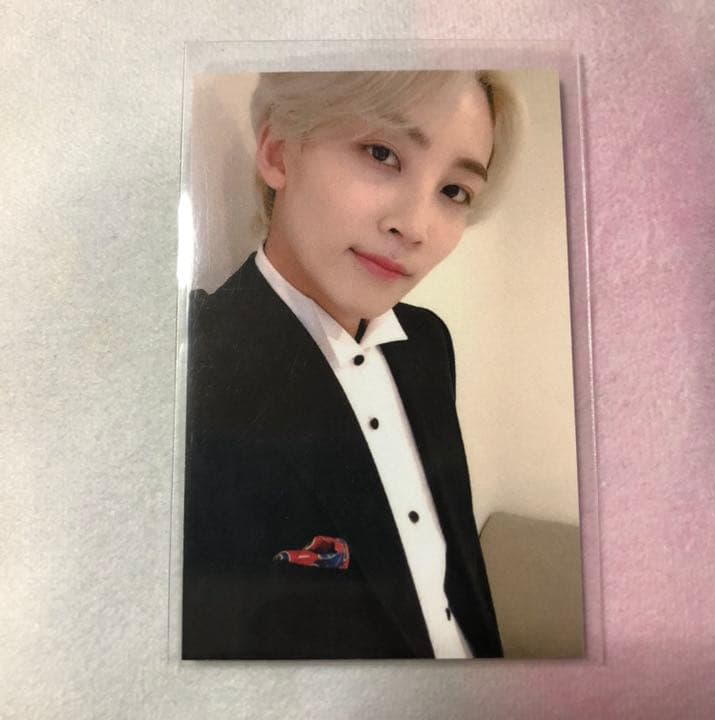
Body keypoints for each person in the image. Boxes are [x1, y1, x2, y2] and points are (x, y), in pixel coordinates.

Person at [182, 70, 517, 660]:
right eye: (382, 153)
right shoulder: (193, 369)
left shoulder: (427, 344)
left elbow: (455, 577)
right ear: (279, 151)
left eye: (454, 191)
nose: (414, 227)